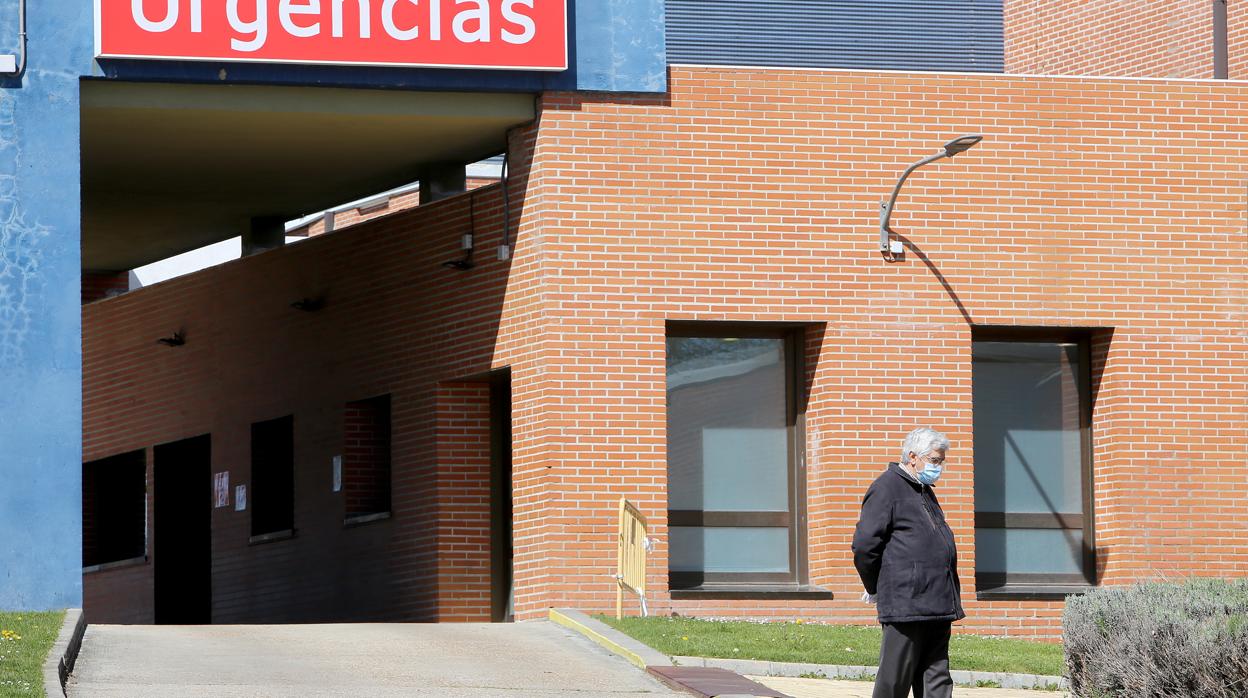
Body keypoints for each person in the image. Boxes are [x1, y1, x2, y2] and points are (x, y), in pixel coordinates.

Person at [852, 427, 964, 698]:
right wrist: (874, 585)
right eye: (934, 460)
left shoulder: (924, 490)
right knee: (895, 681)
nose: (939, 467)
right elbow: (865, 545)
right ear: (913, 456)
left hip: (937, 604)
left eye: (941, 461)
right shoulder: (887, 487)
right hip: (907, 604)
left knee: (936, 682)